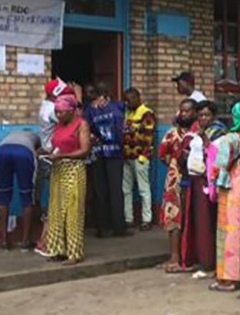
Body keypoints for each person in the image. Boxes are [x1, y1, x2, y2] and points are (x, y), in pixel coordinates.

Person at [208, 101, 240, 291]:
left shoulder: (229, 139)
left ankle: (228, 278)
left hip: (231, 186)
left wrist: (213, 183)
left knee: (228, 231)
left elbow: (219, 166)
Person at [180, 100, 227, 279]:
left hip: (210, 181)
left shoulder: (218, 132)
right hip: (196, 179)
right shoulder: (198, 131)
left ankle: (209, 263)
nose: (203, 118)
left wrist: (204, 141)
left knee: (207, 222)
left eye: (207, 115)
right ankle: (203, 259)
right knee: (200, 222)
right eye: (200, 115)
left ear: (213, 116)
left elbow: (217, 154)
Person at [43, 94, 92, 265]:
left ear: (71, 111)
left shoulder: (81, 124)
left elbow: (85, 150)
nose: (58, 115)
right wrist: (46, 153)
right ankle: (57, 250)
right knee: (56, 211)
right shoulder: (58, 126)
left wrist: (63, 156)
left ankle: (74, 253)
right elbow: (57, 145)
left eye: (61, 112)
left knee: (73, 212)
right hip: (58, 170)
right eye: (56, 112)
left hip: (74, 170)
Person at [82, 83, 128, 239]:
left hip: (97, 153)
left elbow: (85, 129)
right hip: (115, 152)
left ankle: (102, 228)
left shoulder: (89, 110)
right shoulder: (117, 107)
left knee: (99, 190)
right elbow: (124, 124)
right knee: (116, 190)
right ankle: (119, 227)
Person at [158, 98, 197, 273]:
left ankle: (191, 257)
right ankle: (174, 257)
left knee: (193, 218)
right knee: (173, 217)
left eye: (187, 111)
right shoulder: (171, 134)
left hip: (196, 180)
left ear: (194, 112)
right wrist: (175, 165)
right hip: (174, 182)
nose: (184, 114)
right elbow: (162, 155)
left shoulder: (199, 133)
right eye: (182, 110)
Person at [0, 129, 41, 250]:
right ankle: (25, 241)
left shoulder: (10, 135)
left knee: (3, 196)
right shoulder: (36, 137)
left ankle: (4, 240)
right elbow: (39, 154)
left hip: (1, 152)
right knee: (27, 196)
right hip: (24, 153)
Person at [122, 88, 156, 231]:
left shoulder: (147, 113)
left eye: (129, 100)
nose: (127, 103)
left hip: (140, 156)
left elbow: (149, 137)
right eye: (126, 100)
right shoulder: (128, 113)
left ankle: (146, 220)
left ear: (137, 98)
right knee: (126, 189)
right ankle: (128, 219)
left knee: (143, 189)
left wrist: (144, 156)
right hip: (127, 156)